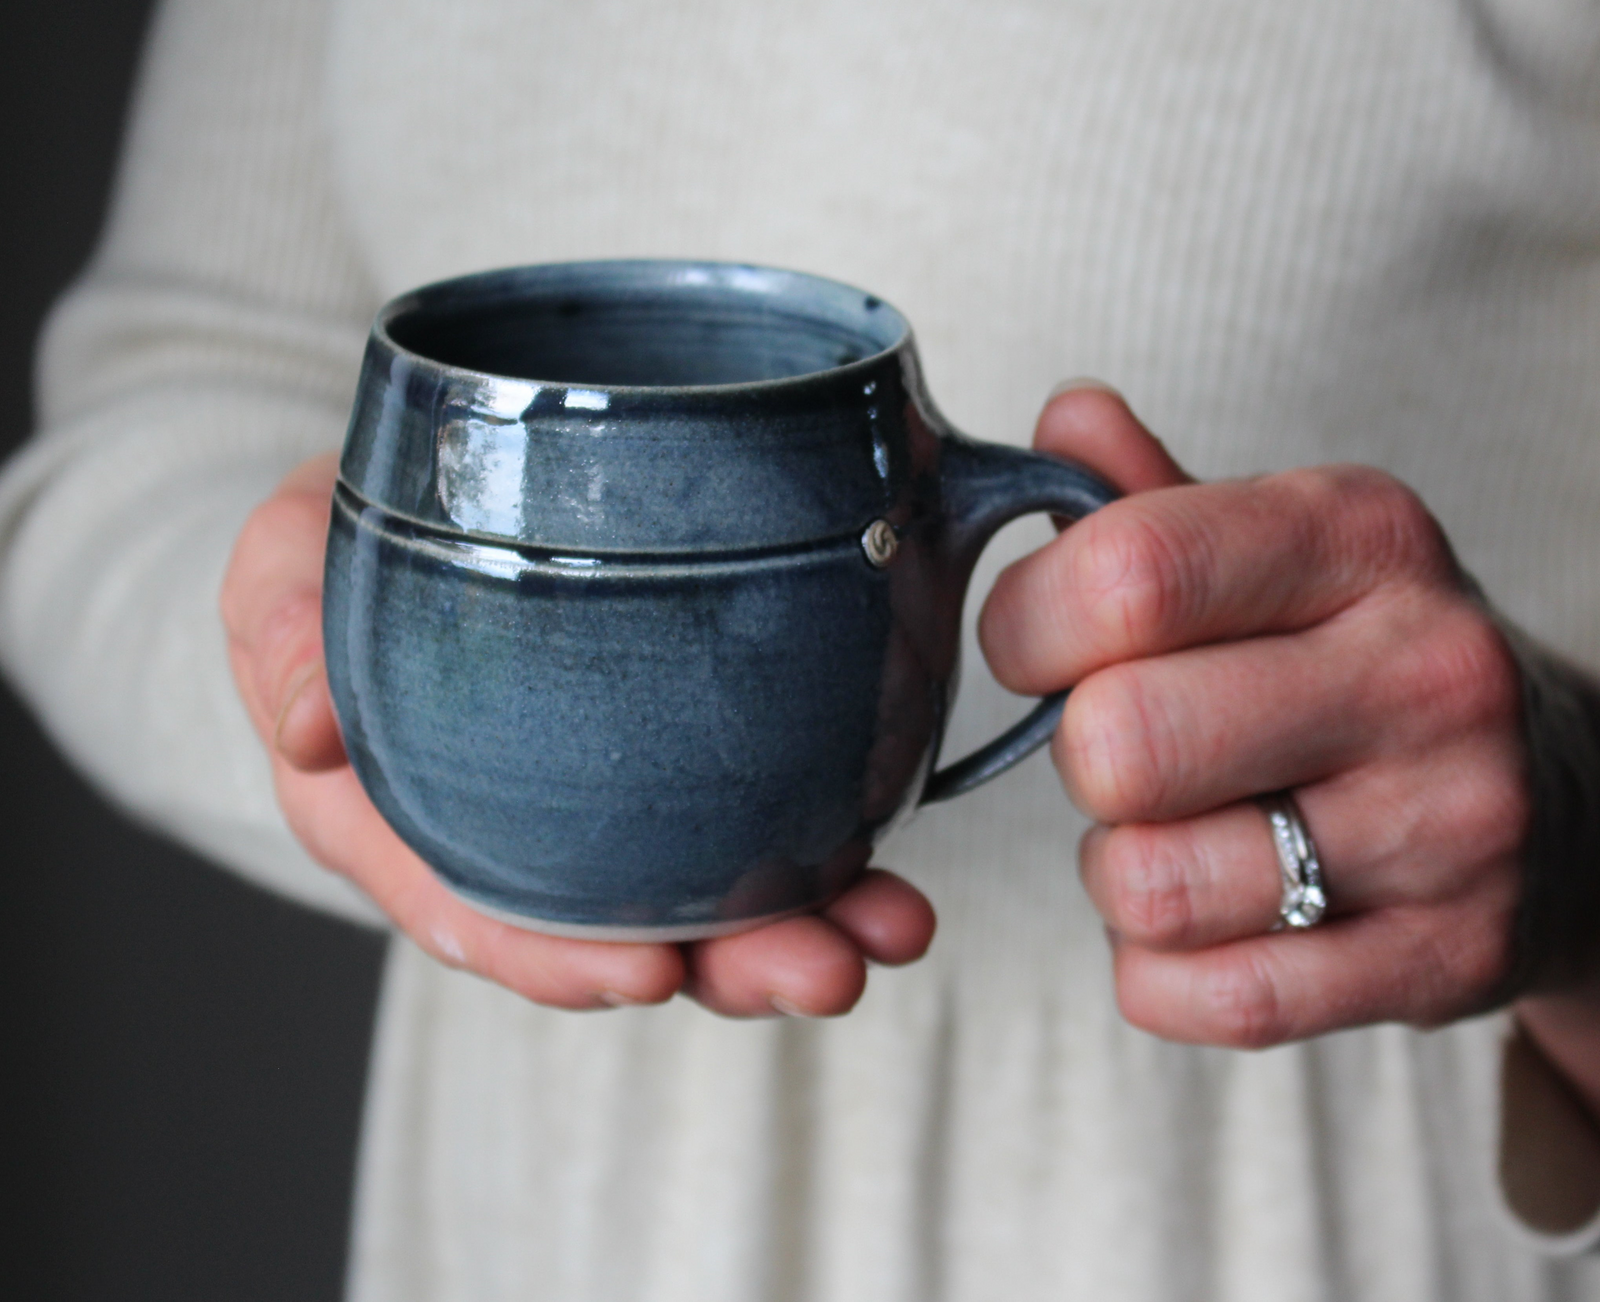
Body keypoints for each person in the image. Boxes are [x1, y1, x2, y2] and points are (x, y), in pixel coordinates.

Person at [6, 0, 1600, 1296]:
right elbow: (173, 384)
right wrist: (320, 672)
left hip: (1306, 1211)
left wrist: (1585, 833)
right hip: (553, 1219)